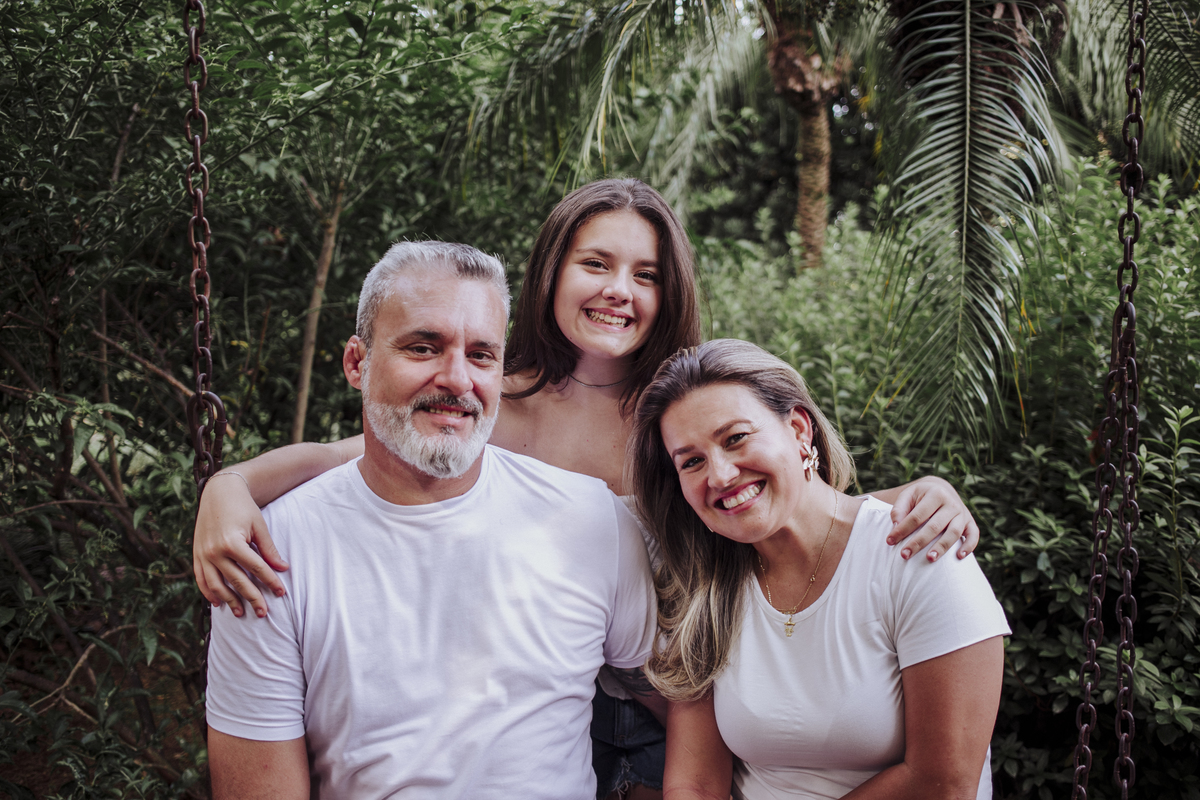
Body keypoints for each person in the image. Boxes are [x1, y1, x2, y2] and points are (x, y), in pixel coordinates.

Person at [195, 179, 983, 799]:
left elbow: (788, 494)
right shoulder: (494, 405)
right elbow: (357, 456)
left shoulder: (682, 411)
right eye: (596, 264)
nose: (618, 290)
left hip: (682, 688)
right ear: (553, 274)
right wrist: (230, 486)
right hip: (564, 690)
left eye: (646, 274)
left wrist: (922, 493)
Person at [205, 241, 660, 799]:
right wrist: (227, 483)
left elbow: (683, 700)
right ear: (357, 363)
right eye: (423, 348)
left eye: (482, 355)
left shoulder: (590, 518)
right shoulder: (270, 551)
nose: (457, 379)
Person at [627, 339, 1010, 800]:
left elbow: (943, 783)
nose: (721, 475)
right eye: (692, 461)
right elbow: (695, 784)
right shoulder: (705, 590)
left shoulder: (918, 552)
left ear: (798, 429)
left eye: (736, 438)